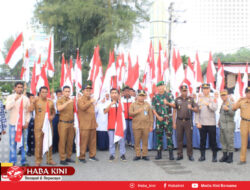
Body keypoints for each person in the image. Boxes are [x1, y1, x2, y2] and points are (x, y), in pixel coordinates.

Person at [5, 82, 31, 166]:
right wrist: (14, 100)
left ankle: (23, 161)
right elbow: (7, 107)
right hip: (13, 124)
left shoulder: (26, 99)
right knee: (13, 144)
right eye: (18, 87)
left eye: (21, 87)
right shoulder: (10, 97)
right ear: (15, 88)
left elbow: (28, 112)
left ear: (23, 88)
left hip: (23, 125)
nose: (20, 89)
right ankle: (12, 161)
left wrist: (27, 121)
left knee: (23, 144)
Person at [30, 86, 56, 166]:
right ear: (40, 93)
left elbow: (53, 112)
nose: (44, 93)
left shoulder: (50, 102)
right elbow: (30, 110)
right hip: (38, 126)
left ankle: (49, 159)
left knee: (49, 142)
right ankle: (38, 160)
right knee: (38, 143)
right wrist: (32, 102)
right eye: (43, 92)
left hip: (48, 125)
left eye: (46, 92)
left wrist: (52, 116)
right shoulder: (36, 101)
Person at [173, 85, 198, 161]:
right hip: (179, 121)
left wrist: (192, 108)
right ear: (180, 91)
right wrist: (174, 123)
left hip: (188, 121)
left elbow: (197, 110)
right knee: (179, 138)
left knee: (189, 139)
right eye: (183, 91)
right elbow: (174, 111)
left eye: (186, 90)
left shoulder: (191, 99)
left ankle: (190, 154)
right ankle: (179, 154)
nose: (184, 92)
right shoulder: (177, 99)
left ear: (187, 91)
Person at [152, 81, 175, 160]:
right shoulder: (155, 97)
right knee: (159, 136)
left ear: (164, 86)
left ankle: (171, 154)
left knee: (169, 136)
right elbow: (153, 108)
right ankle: (159, 154)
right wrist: (157, 117)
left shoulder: (169, 95)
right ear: (157, 88)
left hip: (168, 119)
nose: (160, 87)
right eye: (159, 86)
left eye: (162, 86)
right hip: (159, 120)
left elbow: (174, 105)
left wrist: (168, 103)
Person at [195, 83, 218, 162]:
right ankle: (202, 156)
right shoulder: (200, 99)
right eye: (204, 89)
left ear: (209, 89)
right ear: (202, 90)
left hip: (211, 123)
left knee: (213, 141)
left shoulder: (213, 98)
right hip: (202, 123)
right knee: (202, 141)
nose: (205, 90)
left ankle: (214, 156)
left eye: (207, 89)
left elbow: (215, 108)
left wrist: (208, 104)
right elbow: (197, 112)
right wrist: (197, 122)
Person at [129, 89, 153, 161]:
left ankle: (145, 155)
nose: (141, 97)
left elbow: (151, 116)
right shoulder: (133, 104)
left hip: (146, 126)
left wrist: (151, 125)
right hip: (136, 126)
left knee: (145, 141)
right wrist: (137, 111)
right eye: (140, 96)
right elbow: (130, 114)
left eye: (143, 96)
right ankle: (138, 155)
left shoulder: (148, 105)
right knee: (137, 141)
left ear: (145, 97)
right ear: (137, 96)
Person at [77, 84, 99, 163]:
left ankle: (92, 155)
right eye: (87, 90)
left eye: (90, 90)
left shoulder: (91, 99)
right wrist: (90, 102)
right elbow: (82, 108)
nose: (89, 92)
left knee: (93, 141)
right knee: (84, 141)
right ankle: (81, 157)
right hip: (84, 125)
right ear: (83, 91)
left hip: (92, 124)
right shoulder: (80, 99)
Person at [104, 88, 127, 161]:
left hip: (119, 126)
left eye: (115, 93)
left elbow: (123, 114)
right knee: (111, 142)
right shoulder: (107, 102)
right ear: (110, 94)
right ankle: (112, 154)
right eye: (112, 93)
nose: (114, 94)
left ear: (118, 94)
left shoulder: (121, 103)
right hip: (111, 125)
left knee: (122, 141)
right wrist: (111, 104)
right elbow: (105, 111)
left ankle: (122, 154)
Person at [57, 86, 75, 165]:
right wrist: (67, 102)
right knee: (62, 142)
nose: (67, 93)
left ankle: (68, 157)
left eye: (68, 91)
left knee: (70, 142)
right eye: (66, 91)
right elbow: (59, 109)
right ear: (63, 92)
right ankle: (62, 158)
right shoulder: (60, 100)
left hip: (71, 123)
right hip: (63, 123)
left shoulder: (71, 100)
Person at [233, 87, 250, 165]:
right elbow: (234, 108)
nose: (249, 94)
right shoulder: (242, 101)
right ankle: (243, 159)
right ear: (245, 93)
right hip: (244, 122)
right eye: (248, 93)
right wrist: (239, 100)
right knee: (244, 142)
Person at [218, 90, 235, 163]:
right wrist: (219, 121)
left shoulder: (231, 102)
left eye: (224, 95)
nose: (223, 96)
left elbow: (233, 113)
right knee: (223, 141)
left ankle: (230, 157)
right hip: (222, 124)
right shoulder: (223, 103)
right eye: (222, 95)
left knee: (229, 141)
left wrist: (228, 110)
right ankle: (225, 155)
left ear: (227, 95)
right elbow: (221, 113)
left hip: (228, 124)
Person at [52, 89, 62, 153]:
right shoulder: (53, 101)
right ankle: (54, 148)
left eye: (60, 94)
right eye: (58, 94)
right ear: (56, 94)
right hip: (55, 116)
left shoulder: (63, 101)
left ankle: (60, 148)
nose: (59, 95)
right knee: (55, 132)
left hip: (62, 116)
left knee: (61, 133)